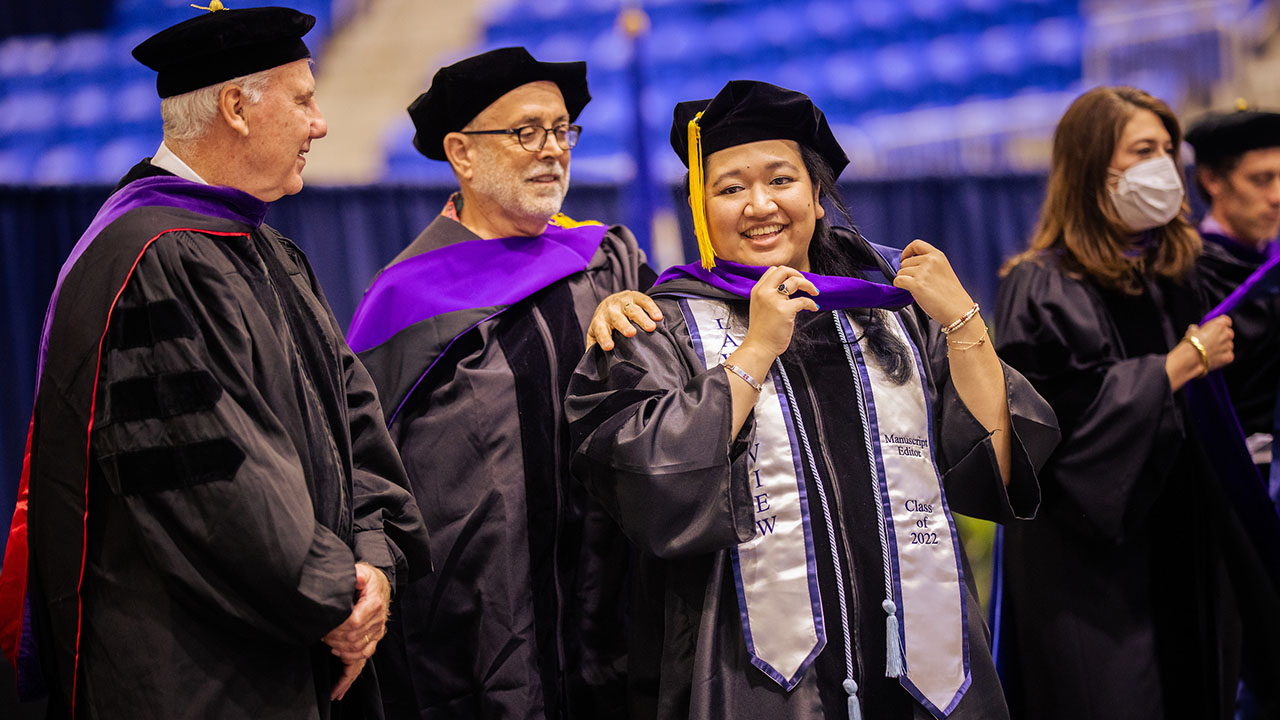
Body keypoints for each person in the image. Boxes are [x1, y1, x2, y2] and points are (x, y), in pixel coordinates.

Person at [564, 80, 1057, 720]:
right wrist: (755, 349)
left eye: (781, 180)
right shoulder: (663, 327)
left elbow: (999, 465)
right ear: (702, 210)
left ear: (817, 198)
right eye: (730, 188)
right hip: (750, 672)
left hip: (923, 667)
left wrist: (963, 321)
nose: (760, 204)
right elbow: (648, 486)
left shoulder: (890, 310)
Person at [0, 6, 432, 719]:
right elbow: (217, 489)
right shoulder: (154, 259)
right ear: (236, 106)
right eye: (302, 100)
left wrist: (378, 560)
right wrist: (339, 597)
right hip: (201, 674)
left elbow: (356, 427)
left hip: (296, 641)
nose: (319, 123)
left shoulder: (263, 250)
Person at [346, 47, 659, 719]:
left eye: (561, 130)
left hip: (607, 611)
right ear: (461, 153)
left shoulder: (606, 261)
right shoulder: (404, 303)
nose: (552, 149)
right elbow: (361, 476)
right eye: (526, 132)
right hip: (474, 633)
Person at [994, 86, 1260, 720]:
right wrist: (1171, 369)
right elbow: (1042, 426)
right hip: (1092, 565)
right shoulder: (1041, 283)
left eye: (1169, 149)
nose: (1164, 167)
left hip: (1187, 538)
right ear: (1092, 165)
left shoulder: (1176, 270)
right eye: (1144, 149)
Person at [1185, 107, 1280, 465]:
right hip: (1230, 479)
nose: (1277, 196)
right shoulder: (1186, 274)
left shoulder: (1274, 256)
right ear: (1212, 180)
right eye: (1261, 179)